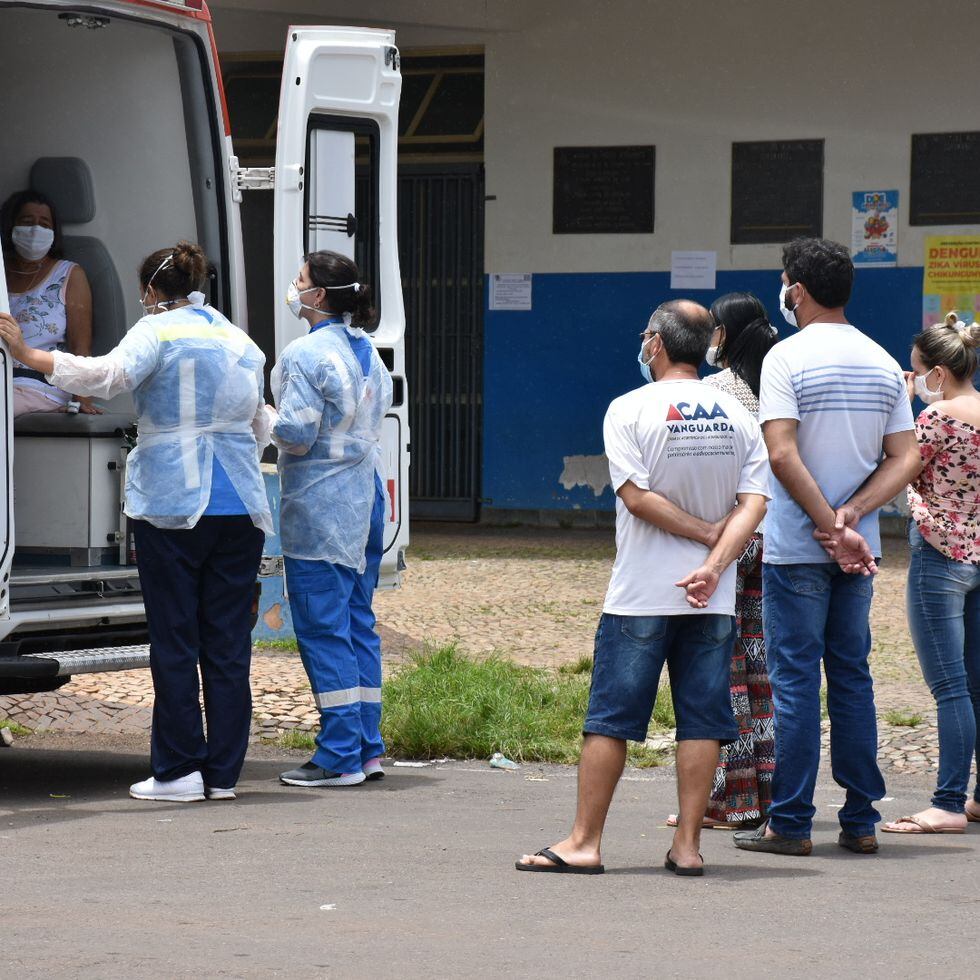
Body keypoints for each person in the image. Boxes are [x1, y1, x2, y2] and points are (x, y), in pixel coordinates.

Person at [0, 241, 272, 802]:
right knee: (226, 643)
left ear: (151, 291)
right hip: (241, 506)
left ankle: (177, 772)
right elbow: (259, 422)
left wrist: (28, 354)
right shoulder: (237, 338)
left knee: (174, 638)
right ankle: (222, 774)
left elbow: (104, 376)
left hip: (174, 504)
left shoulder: (158, 331)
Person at [516, 300, 769, 876]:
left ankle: (585, 841)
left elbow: (636, 497)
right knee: (703, 719)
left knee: (611, 718)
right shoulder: (738, 415)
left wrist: (704, 536)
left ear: (654, 342)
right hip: (714, 596)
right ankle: (688, 846)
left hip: (639, 596)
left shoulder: (628, 409)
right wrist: (716, 559)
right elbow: (754, 502)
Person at [734, 238, 920, 858]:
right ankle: (861, 819)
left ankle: (789, 823)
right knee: (852, 677)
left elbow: (782, 452)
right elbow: (906, 456)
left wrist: (825, 524)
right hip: (858, 551)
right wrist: (853, 519)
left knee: (793, 683)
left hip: (797, 548)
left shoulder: (786, 359)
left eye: (785, 284)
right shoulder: (879, 359)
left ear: (798, 291)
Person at [268, 250, 393, 789]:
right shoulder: (369, 350)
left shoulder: (304, 354)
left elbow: (296, 434)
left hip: (322, 504)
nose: (293, 289)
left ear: (317, 297)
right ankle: (367, 748)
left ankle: (338, 753)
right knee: (357, 621)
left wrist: (260, 418)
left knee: (322, 626)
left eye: (300, 282)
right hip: (364, 498)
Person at [665, 292, 778, 829]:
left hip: (723, 542)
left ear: (722, 337)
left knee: (721, 676)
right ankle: (764, 791)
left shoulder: (714, 392)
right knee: (758, 672)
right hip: (766, 540)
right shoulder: (774, 388)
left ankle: (727, 800)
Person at [881, 314, 980, 834]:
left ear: (938, 373)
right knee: (977, 683)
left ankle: (946, 801)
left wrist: (903, 403)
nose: (911, 377)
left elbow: (897, 463)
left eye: (916, 371)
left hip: (941, 556)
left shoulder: (936, 418)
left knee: (949, 686)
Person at [1, 189, 100, 415]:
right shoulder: (0, 271)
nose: (36, 229)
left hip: (38, 386)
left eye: (45, 224)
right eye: (27, 222)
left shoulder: (69, 274)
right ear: (10, 227)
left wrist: (81, 399)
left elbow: (80, 346)